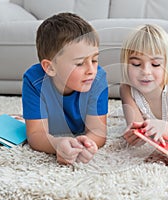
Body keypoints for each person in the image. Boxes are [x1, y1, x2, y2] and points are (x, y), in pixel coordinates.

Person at [22, 13, 108, 165]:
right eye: (80, 63)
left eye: (94, 60)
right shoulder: (34, 80)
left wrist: (85, 145)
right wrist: (57, 144)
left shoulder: (98, 78)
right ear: (50, 67)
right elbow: (36, 134)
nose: (91, 70)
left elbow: (98, 132)